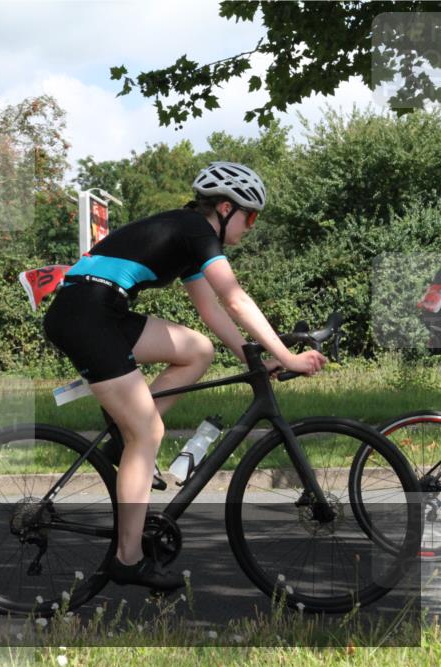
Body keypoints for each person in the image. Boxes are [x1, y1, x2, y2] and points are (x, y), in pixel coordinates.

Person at [42, 162, 328, 591]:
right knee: (147, 433)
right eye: (251, 217)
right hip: (87, 316)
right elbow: (234, 298)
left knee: (197, 350)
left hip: (101, 309)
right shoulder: (197, 230)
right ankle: (128, 559)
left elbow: (210, 309)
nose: (251, 227)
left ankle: (126, 436)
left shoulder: (188, 235)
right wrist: (287, 357)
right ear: (227, 209)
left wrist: (253, 358)